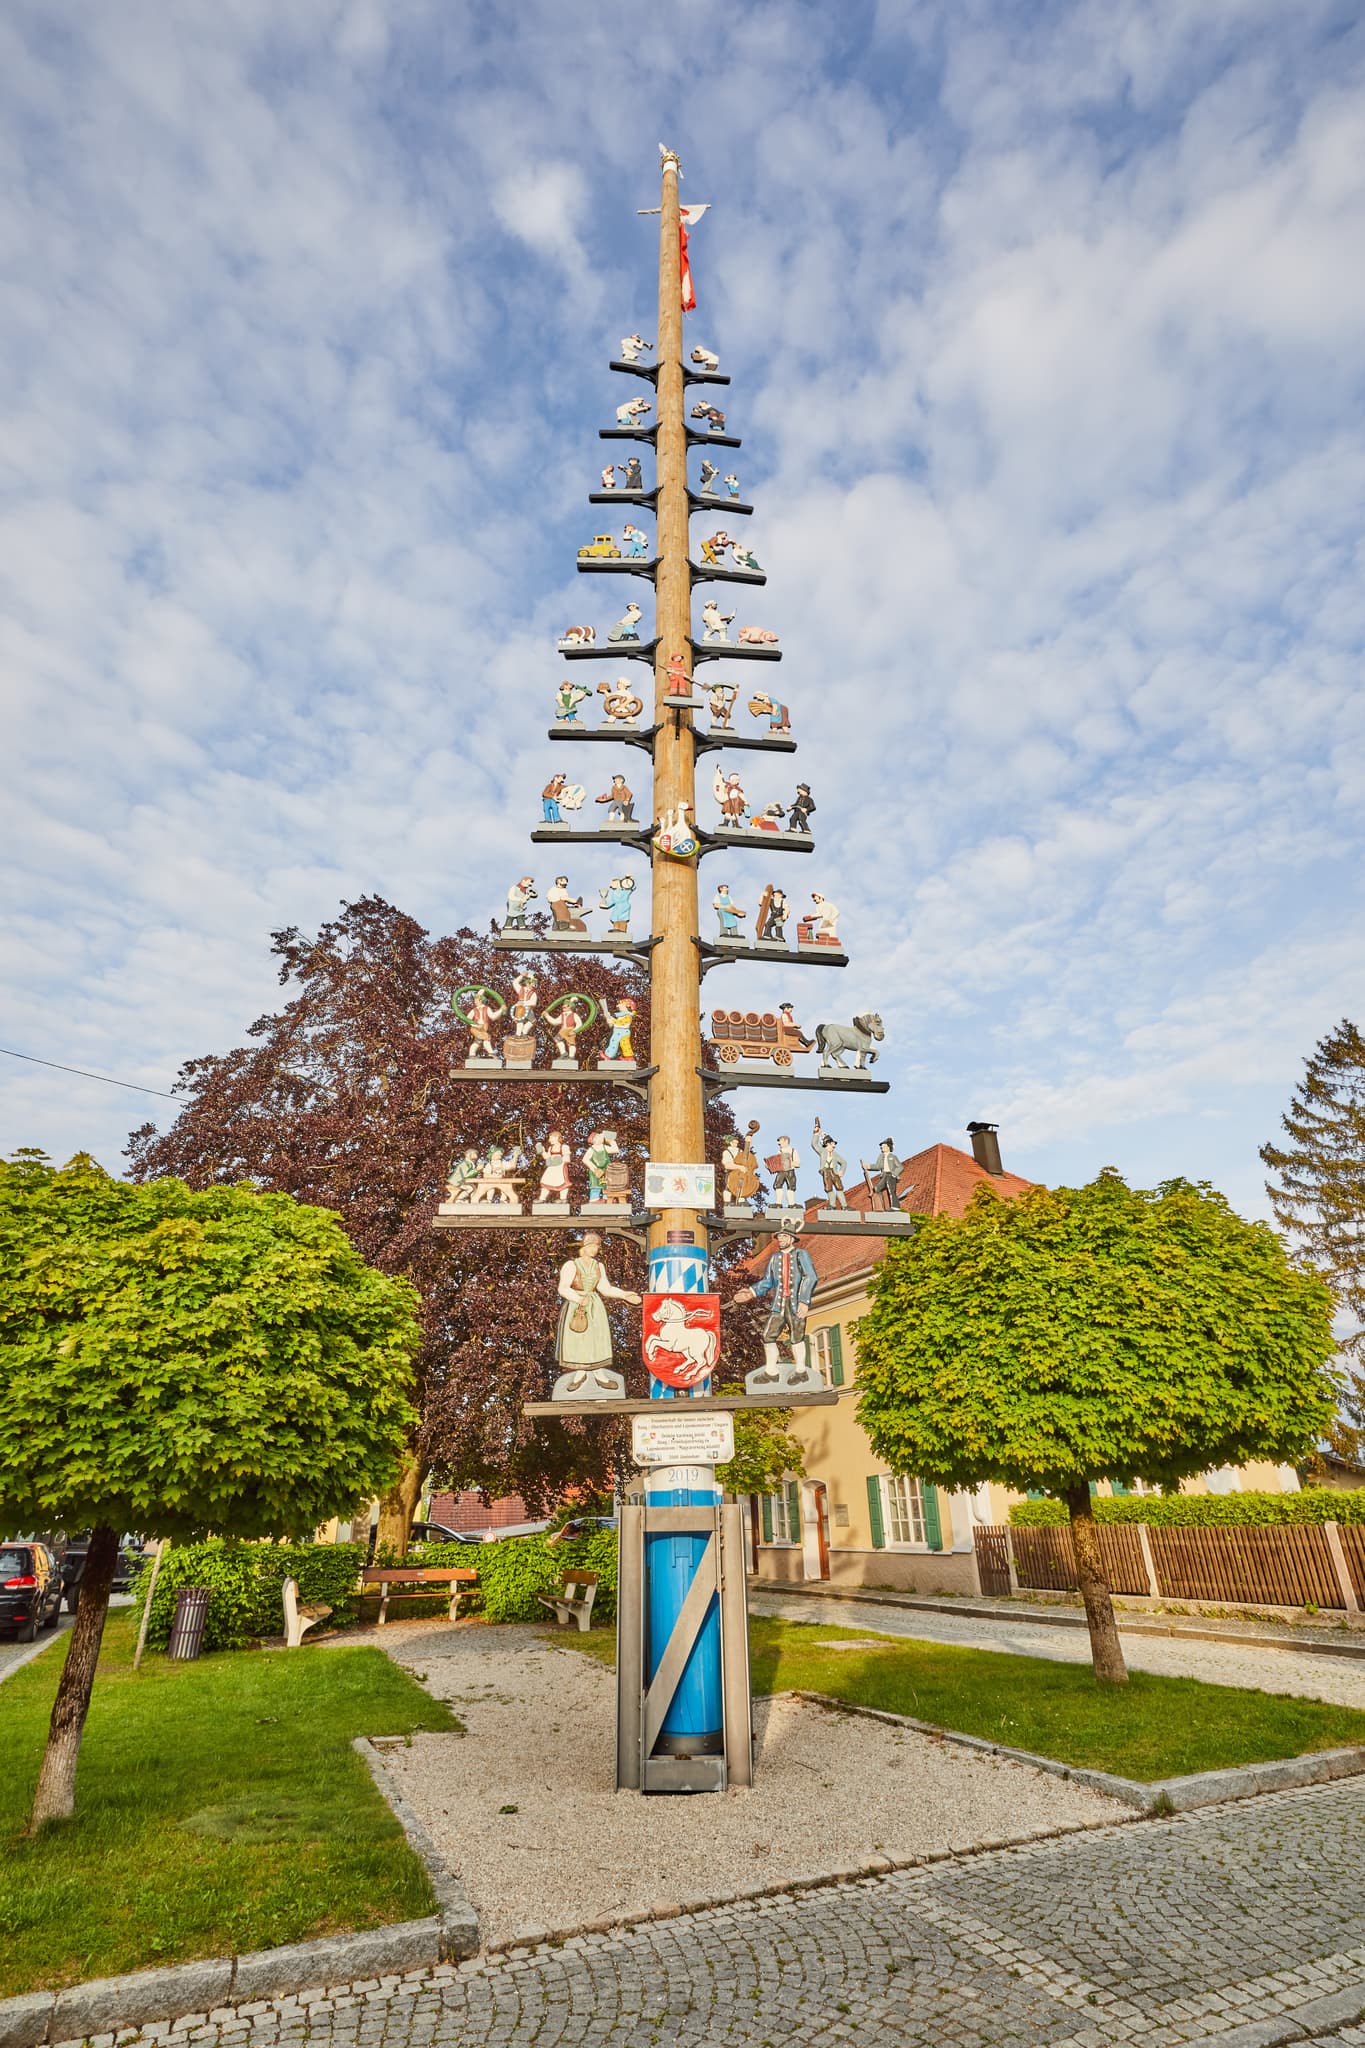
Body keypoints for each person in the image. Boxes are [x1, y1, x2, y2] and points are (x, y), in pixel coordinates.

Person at [555, 1231, 641, 1394]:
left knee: (597, 1340)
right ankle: (579, 1375)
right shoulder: (571, 1265)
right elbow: (563, 1288)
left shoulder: (598, 1266)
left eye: (597, 1246)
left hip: (595, 1306)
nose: (595, 1249)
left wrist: (624, 1295)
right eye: (592, 1245)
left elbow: (605, 1288)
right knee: (580, 1339)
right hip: (578, 1307)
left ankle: (599, 1375)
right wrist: (578, 1298)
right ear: (585, 1246)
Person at [734, 1227, 818, 1385]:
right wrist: (751, 1292)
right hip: (779, 1304)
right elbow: (768, 1281)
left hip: (795, 1303)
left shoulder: (801, 1254)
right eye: (779, 1237)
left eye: (784, 1236)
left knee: (797, 1336)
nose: (781, 1239)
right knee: (768, 1335)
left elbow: (811, 1277)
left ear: (792, 1239)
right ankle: (771, 1372)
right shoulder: (775, 1258)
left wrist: (804, 1301)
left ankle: (801, 1371)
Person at [812, 1117, 848, 1209]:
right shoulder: (822, 1151)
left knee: (839, 1187)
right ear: (827, 1143)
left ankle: (844, 1205)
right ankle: (832, 1205)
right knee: (829, 1188)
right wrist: (816, 1133)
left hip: (834, 1172)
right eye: (833, 1143)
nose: (834, 1145)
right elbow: (814, 1144)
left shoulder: (835, 1154)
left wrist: (841, 1171)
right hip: (826, 1172)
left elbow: (843, 1162)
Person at [536, 1131, 573, 1206]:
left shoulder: (564, 1147)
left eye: (552, 1137)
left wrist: (559, 1160)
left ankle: (563, 1198)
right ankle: (542, 1198)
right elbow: (547, 1158)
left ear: (557, 1138)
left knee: (562, 1182)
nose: (550, 1139)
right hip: (551, 1168)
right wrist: (542, 1151)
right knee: (546, 1181)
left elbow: (567, 1159)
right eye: (550, 1137)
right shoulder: (550, 1148)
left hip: (560, 1167)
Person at [868, 1138, 903, 1210]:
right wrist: (868, 1166)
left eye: (883, 1147)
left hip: (891, 1175)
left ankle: (895, 1207)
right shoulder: (881, 1156)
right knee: (877, 1189)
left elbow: (900, 1167)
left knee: (891, 1190)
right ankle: (881, 1207)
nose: (881, 1148)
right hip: (884, 1176)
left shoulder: (893, 1157)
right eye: (881, 1147)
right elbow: (878, 1166)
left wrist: (894, 1174)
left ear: (888, 1147)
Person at [768, 1134, 799, 1210]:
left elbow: (797, 1163)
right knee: (777, 1185)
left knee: (791, 1187)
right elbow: (775, 1162)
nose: (779, 1144)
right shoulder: (779, 1152)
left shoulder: (793, 1151)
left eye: (780, 1142)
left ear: (786, 1141)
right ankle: (778, 1203)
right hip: (781, 1171)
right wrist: (770, 1165)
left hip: (790, 1171)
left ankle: (791, 1204)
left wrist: (789, 1162)